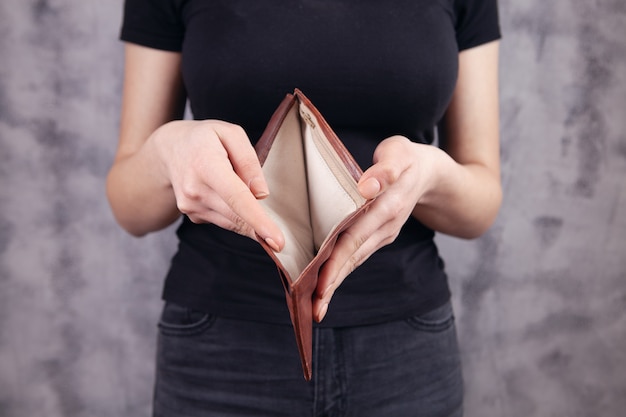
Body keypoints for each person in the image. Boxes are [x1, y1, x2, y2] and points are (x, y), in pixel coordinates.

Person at [106, 1, 502, 416]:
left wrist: (431, 175)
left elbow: (481, 203)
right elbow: (130, 207)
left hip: (405, 347)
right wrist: (167, 152)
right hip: (220, 348)